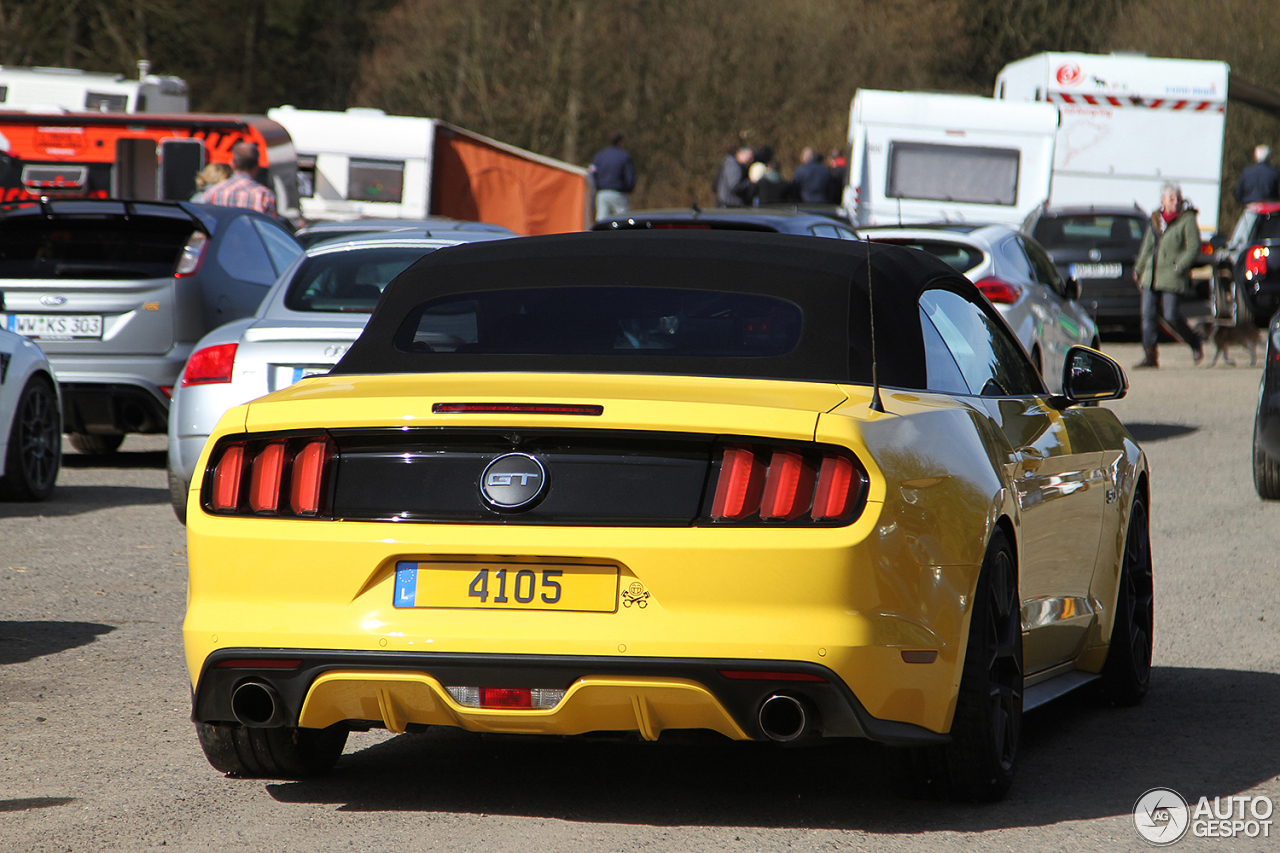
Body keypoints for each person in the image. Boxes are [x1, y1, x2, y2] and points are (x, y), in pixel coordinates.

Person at [1133, 182, 1203, 368]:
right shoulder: (1156, 218)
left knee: (1171, 314)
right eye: (1171, 198)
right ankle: (1150, 356)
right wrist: (1138, 269)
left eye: (1177, 198)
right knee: (1147, 315)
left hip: (1172, 275)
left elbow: (1194, 247)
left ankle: (1194, 341)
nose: (1175, 201)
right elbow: (1147, 245)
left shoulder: (1187, 219)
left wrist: (1178, 267)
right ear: (1163, 200)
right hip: (1151, 274)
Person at [201, 141, 277, 217]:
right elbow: (272, 226)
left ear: (232, 164)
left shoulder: (213, 192)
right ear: (257, 166)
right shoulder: (264, 195)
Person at [589, 131, 636, 221]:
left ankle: (601, 235)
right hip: (618, 193)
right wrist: (629, 189)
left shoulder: (599, 156)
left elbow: (592, 173)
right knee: (624, 221)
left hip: (602, 193)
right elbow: (630, 178)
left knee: (601, 221)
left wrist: (596, 186)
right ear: (621, 142)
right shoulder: (624, 156)